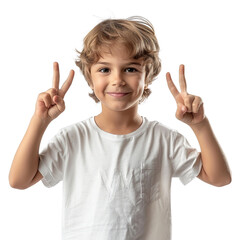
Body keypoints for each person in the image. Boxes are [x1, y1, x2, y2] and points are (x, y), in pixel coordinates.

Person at [9, 16, 231, 240]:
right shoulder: (72, 138)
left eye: (131, 69)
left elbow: (219, 178)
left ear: (148, 75)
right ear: (89, 76)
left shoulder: (164, 140)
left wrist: (199, 125)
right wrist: (40, 121)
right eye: (105, 69)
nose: (118, 80)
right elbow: (19, 180)